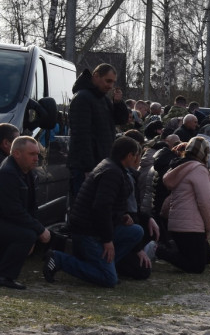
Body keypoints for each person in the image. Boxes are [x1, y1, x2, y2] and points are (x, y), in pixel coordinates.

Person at [44, 137, 144, 288]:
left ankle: (104, 265)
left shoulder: (110, 167)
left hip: (91, 227)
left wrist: (121, 216)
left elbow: (106, 205)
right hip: (88, 231)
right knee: (108, 279)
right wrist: (107, 240)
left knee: (136, 231)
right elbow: (101, 208)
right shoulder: (113, 172)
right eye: (136, 154)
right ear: (129, 155)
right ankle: (60, 259)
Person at [157, 137, 210, 274]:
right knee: (197, 267)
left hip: (178, 222)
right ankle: (159, 250)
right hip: (191, 225)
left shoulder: (179, 166)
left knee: (208, 257)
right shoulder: (198, 170)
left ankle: (174, 247)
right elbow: (205, 201)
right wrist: (209, 226)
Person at [67, 64, 128, 196]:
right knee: (84, 208)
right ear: (96, 76)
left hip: (100, 163)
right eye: (108, 81)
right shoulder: (82, 98)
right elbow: (81, 135)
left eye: (113, 82)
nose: (111, 86)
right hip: (87, 167)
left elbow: (120, 120)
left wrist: (118, 103)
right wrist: (88, 168)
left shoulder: (103, 99)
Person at [0, 137, 51, 289]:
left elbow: (31, 207)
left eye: (37, 154)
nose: (36, 158)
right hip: (5, 218)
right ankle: (5, 275)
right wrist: (38, 229)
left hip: (8, 220)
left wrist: (37, 230)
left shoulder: (28, 172)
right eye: (32, 154)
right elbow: (12, 210)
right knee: (26, 235)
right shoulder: (7, 174)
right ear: (16, 153)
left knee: (32, 233)